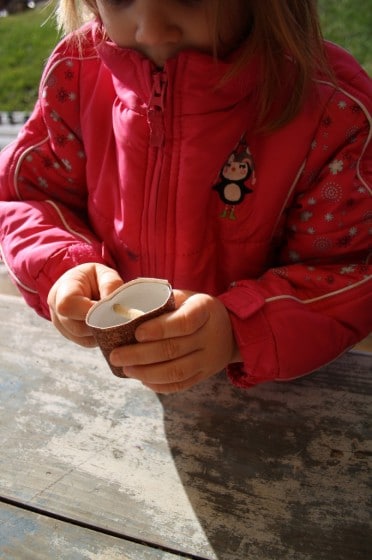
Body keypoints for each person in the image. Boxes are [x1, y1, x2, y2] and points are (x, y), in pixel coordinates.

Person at [0, 0, 371, 394]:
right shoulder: (78, 73)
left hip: (283, 386)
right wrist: (60, 266)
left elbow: (353, 270)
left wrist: (238, 330)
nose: (152, 30)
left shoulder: (334, 113)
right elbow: (26, 198)